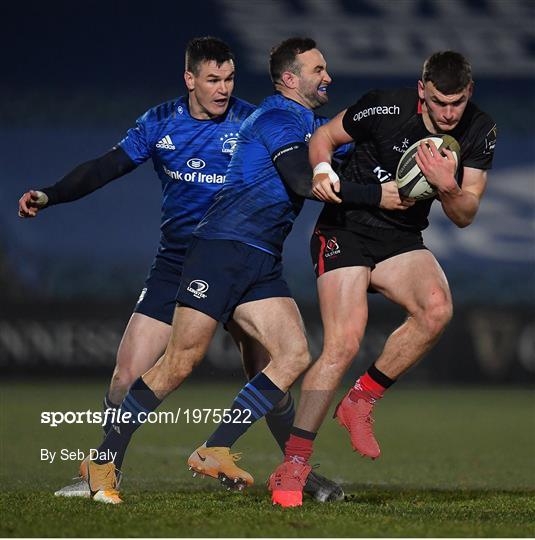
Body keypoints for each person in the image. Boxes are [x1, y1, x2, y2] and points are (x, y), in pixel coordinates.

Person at [18, 36, 341, 502]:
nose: (223, 89)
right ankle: (106, 468)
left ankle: (297, 473)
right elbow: (106, 167)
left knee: (272, 371)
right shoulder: (160, 123)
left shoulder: (256, 121)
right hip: (179, 262)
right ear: (190, 79)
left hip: (239, 258)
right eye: (212, 79)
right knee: (128, 373)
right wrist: (51, 194)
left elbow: (309, 153)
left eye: (229, 78)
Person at [269, 50, 498, 506]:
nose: (449, 113)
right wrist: (321, 170)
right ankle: (292, 465)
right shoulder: (384, 107)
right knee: (344, 342)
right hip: (346, 227)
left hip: (400, 240)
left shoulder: (479, 128)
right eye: (440, 102)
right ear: (422, 91)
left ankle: (360, 400)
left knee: (437, 309)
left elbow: (466, 214)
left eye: (457, 102)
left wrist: (447, 185)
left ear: (468, 94)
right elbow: (323, 138)